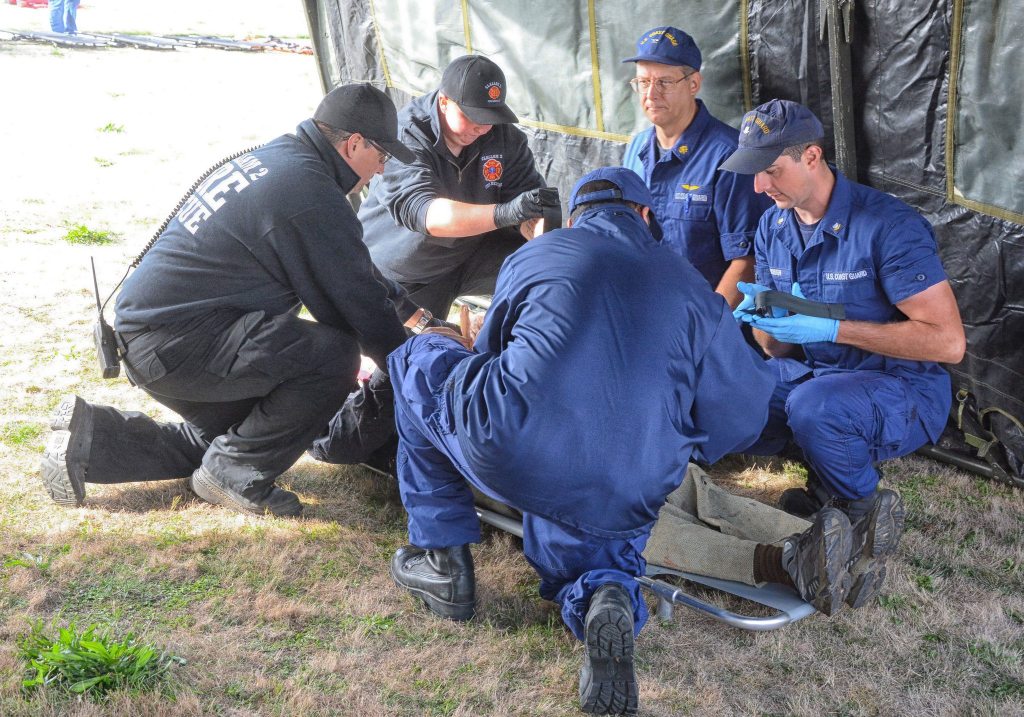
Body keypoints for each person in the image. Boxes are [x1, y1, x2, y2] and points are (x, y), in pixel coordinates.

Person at [384, 167, 849, 715]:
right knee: (607, 531)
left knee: (415, 360)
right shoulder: (692, 288)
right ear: (646, 217)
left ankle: (444, 563)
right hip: (632, 473)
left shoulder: (537, 255)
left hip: (520, 449)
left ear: (576, 218)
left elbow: (488, 361)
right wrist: (683, 442)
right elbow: (743, 414)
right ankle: (608, 597)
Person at [40, 84, 424, 517]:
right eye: (382, 157)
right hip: (182, 342)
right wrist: (414, 364)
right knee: (334, 356)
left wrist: (412, 314)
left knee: (248, 435)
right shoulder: (310, 193)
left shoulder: (285, 163)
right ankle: (234, 473)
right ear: (354, 144)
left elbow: (348, 264)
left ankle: (93, 438)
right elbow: (355, 303)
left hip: (153, 337)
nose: (380, 169)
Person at [718, 99, 966, 606]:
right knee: (725, 391)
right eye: (755, 175)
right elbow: (778, 349)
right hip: (813, 377)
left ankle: (860, 510)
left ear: (812, 156)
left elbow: (948, 342)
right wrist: (765, 326)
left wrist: (834, 330)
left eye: (771, 170)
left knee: (816, 409)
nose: (761, 188)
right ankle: (822, 497)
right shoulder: (773, 227)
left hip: (901, 387)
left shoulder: (886, 225)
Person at [358, 54, 559, 320]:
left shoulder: (501, 135)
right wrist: (505, 213)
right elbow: (426, 214)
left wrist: (544, 233)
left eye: (490, 117)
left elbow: (528, 201)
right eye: (473, 116)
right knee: (413, 355)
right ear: (444, 101)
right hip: (403, 274)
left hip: (469, 254)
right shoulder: (405, 134)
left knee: (548, 266)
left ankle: (520, 342)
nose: (482, 127)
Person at [621, 26, 770, 308]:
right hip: (648, 312)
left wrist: (706, 331)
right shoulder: (635, 148)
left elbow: (747, 261)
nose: (651, 94)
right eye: (643, 82)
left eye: (664, 82)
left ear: (693, 83)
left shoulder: (729, 157)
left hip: (703, 324)